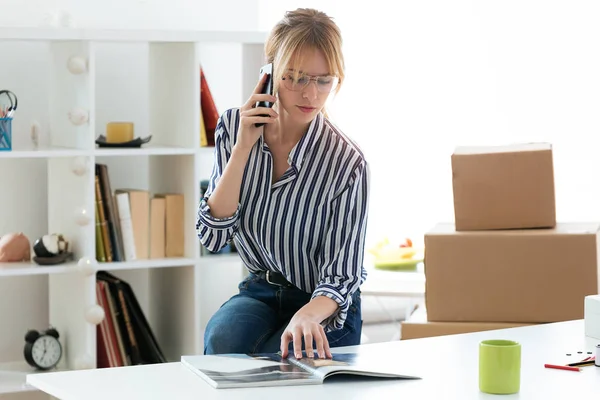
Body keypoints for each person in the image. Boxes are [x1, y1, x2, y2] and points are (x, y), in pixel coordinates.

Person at [196, 8, 369, 360]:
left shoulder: (347, 163)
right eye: (296, 78)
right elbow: (212, 236)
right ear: (270, 72)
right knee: (224, 339)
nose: (311, 95)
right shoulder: (233, 129)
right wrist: (243, 148)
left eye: (324, 80)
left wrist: (307, 314)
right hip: (261, 291)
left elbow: (342, 276)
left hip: (324, 305)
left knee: (286, 359)